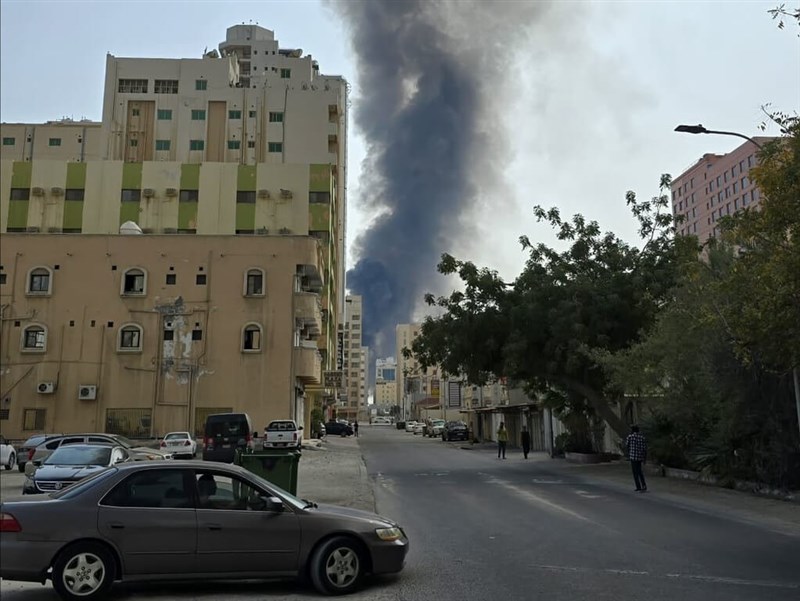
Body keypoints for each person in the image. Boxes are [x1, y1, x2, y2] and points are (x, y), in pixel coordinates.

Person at [626, 425, 648, 492]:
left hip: (633, 456)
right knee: (640, 471)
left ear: (632, 430)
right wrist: (644, 458)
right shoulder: (642, 438)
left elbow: (627, 445)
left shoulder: (630, 437)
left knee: (635, 472)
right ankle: (643, 485)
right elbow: (645, 449)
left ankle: (638, 486)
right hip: (640, 457)